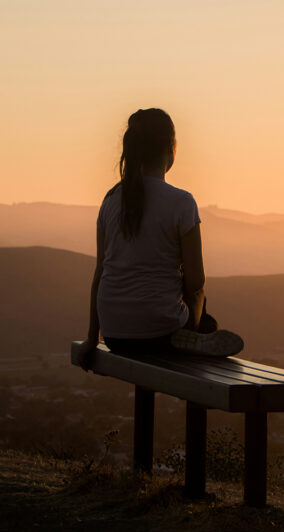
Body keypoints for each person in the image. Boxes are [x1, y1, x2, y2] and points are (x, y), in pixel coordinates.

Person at [77, 108, 243, 370]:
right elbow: (196, 281)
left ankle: (196, 333)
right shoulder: (181, 202)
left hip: (114, 335)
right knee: (201, 302)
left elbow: (100, 274)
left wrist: (91, 338)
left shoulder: (110, 201)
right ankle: (199, 333)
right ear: (170, 148)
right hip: (162, 333)